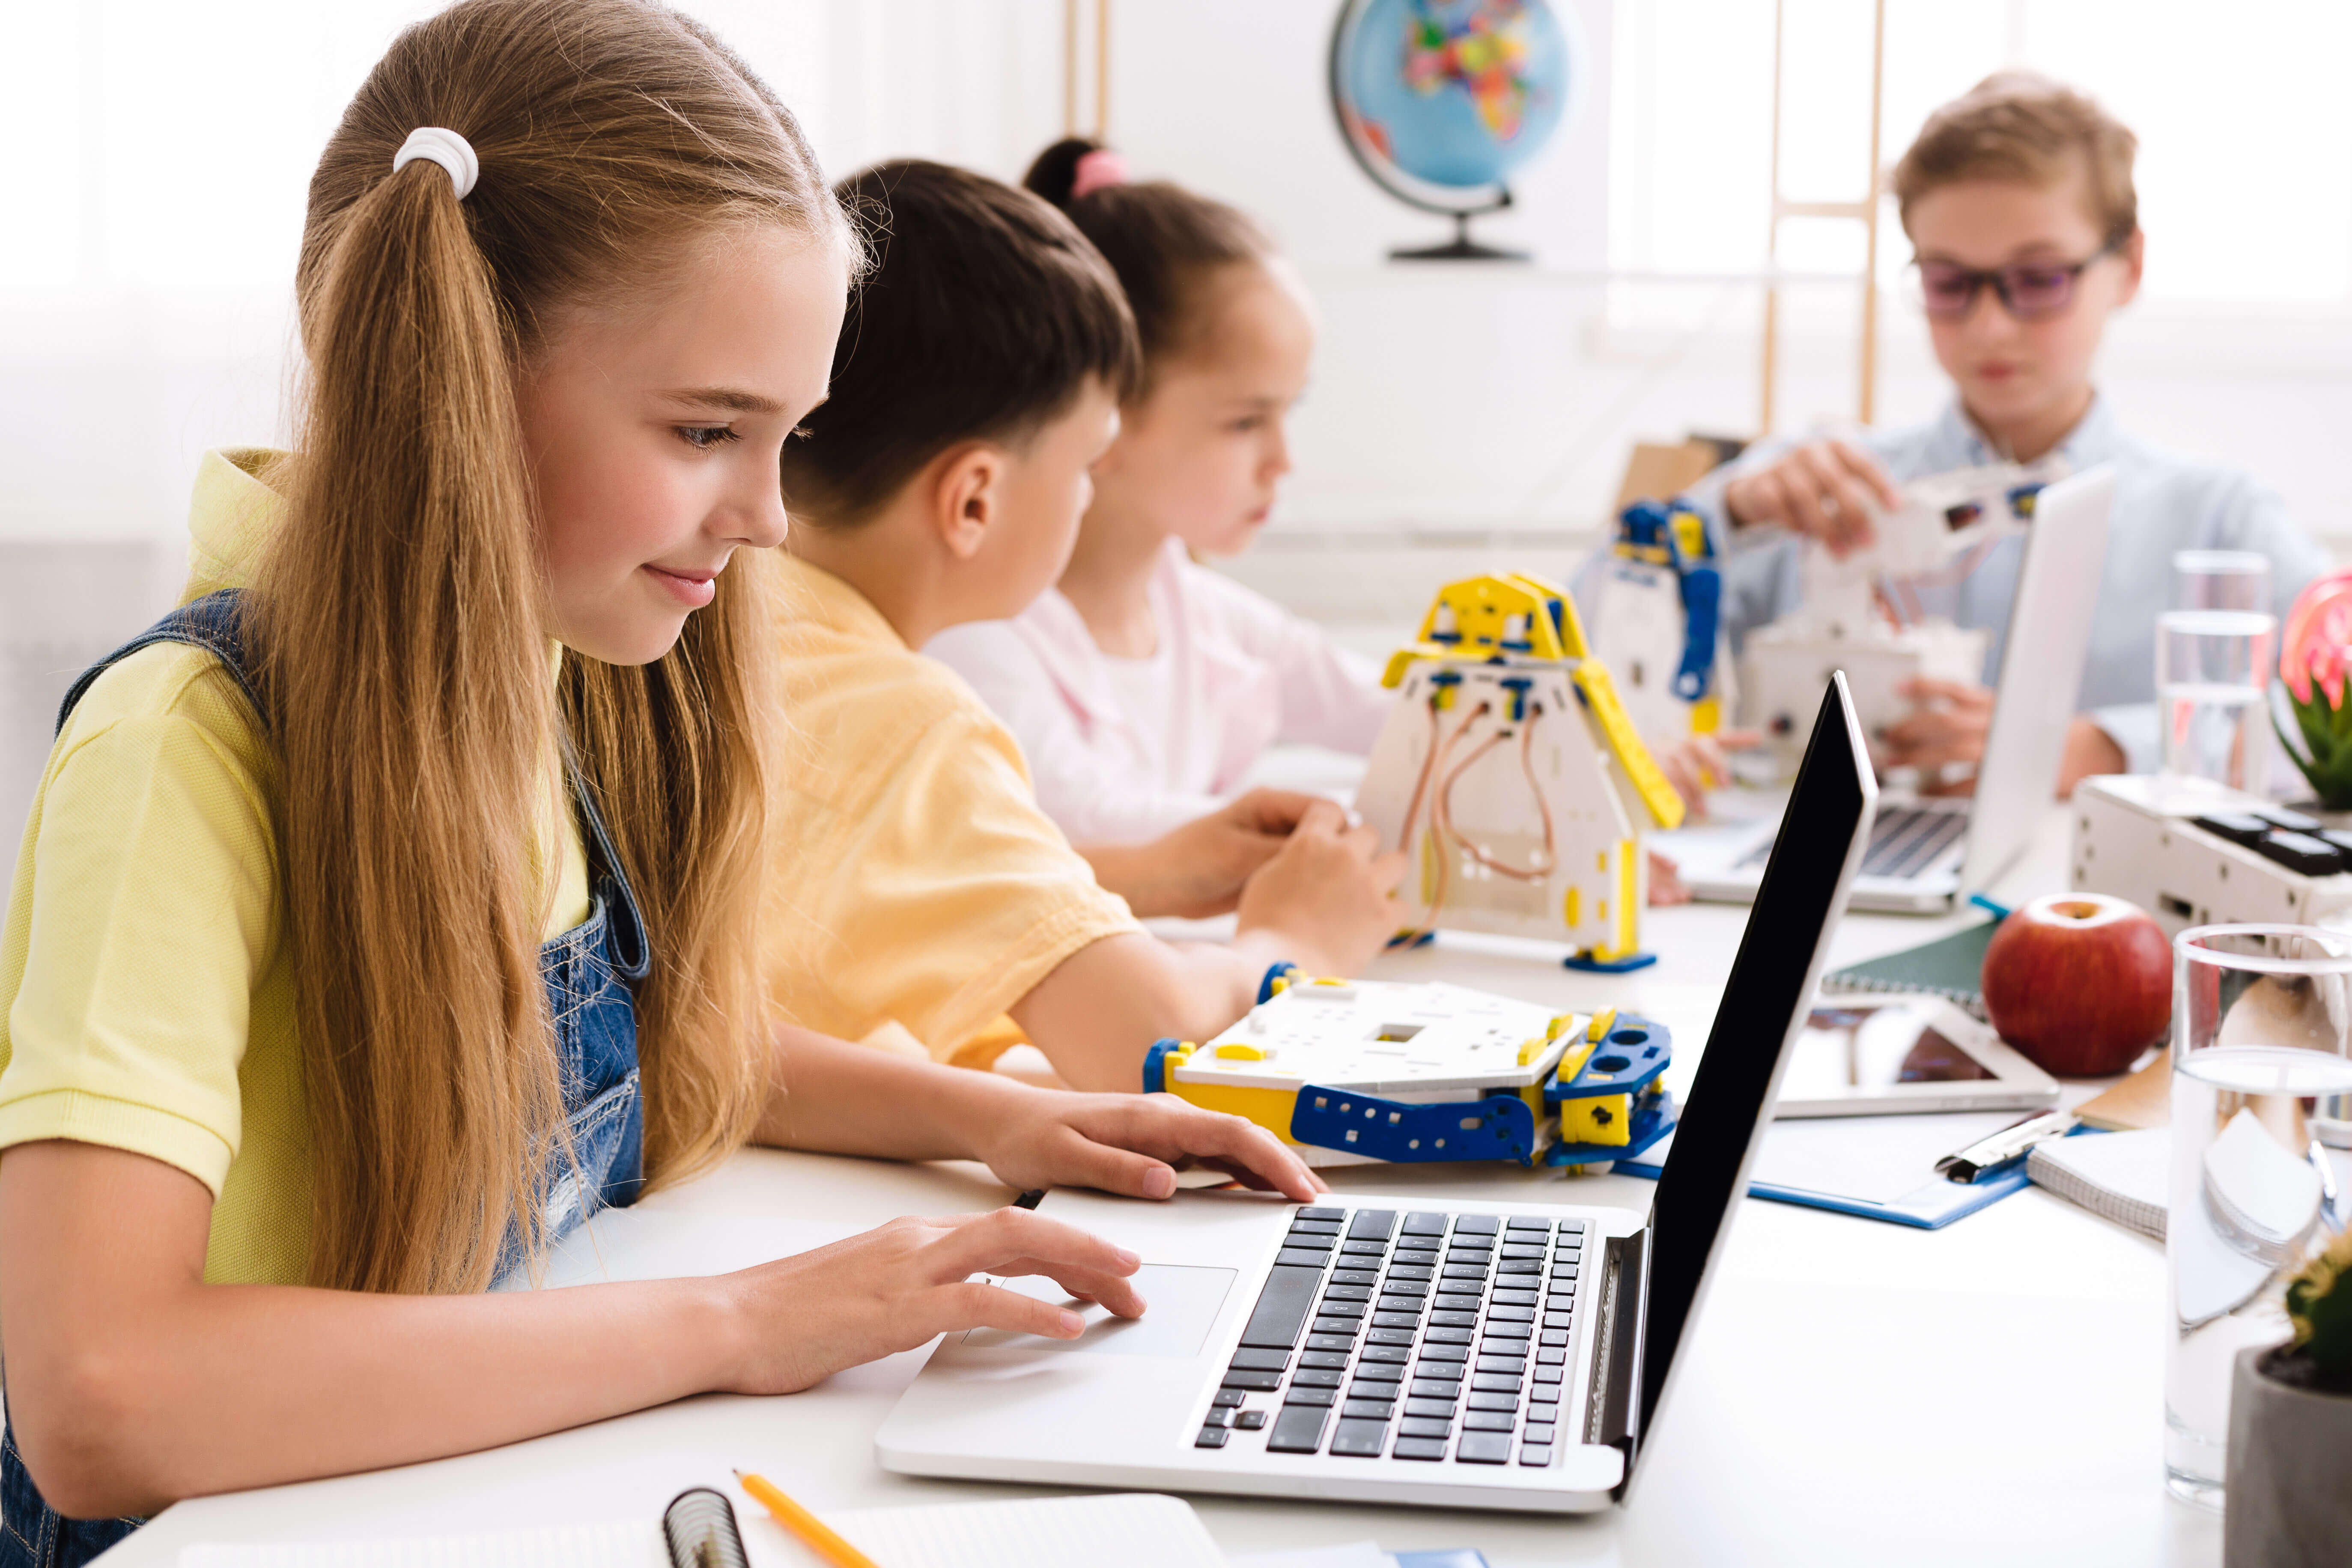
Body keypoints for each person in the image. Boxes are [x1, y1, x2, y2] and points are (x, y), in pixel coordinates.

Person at [0, 6, 1316, 1550]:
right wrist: (740, 1322)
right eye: (706, 430)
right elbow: (101, 1398)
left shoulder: (557, 673)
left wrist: (1007, 1123)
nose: (765, 517)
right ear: (451, 382)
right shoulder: (182, 757)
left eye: (787, 437)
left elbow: (629, 1048)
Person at [768, 158, 1404, 1095]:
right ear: (973, 499)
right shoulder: (905, 723)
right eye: (1085, 463)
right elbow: (1157, 1051)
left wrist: (1149, 870)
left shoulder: (739, 626)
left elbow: (911, 880)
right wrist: (1295, 942)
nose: (1085, 497)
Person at [1677, 71, 2328, 793]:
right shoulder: (1807, 491)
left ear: (2128, 267)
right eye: (1949, 283)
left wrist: (2100, 750)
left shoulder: (2217, 518)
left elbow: (2338, 718)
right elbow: (1573, 661)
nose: (1989, 326)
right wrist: (1729, 512)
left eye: (2039, 277)